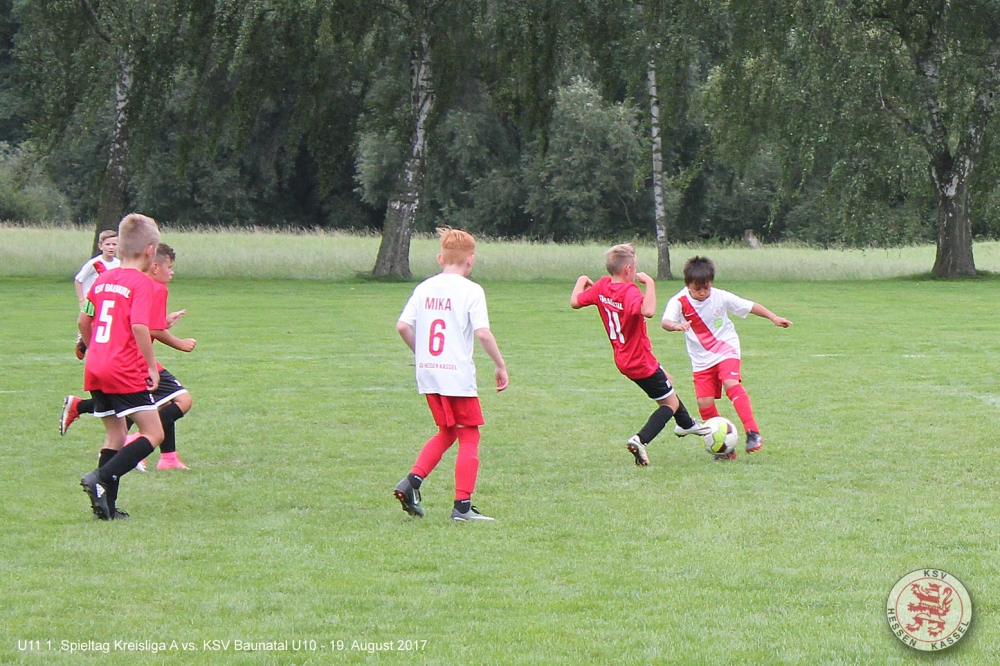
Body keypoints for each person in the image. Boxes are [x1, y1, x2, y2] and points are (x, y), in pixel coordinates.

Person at [393, 227, 509, 522]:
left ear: (440, 258)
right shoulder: (471, 290)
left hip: (429, 373)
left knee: (448, 431)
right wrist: (500, 365)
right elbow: (483, 333)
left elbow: (403, 326)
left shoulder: (424, 288)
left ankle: (411, 483)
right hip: (455, 374)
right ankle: (462, 506)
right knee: (469, 435)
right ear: (471, 260)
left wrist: (422, 354)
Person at [570, 243, 709, 467]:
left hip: (624, 359)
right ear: (628, 269)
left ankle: (686, 424)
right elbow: (649, 310)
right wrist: (650, 284)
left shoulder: (602, 286)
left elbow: (575, 301)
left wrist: (582, 280)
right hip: (640, 361)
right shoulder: (630, 291)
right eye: (635, 268)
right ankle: (640, 440)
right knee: (669, 404)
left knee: (667, 381)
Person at [61, 244, 196, 471]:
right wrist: (180, 343)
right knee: (180, 402)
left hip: (110, 359)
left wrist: (164, 321)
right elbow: (145, 328)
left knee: (149, 408)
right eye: (169, 267)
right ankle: (136, 442)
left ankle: (168, 458)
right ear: (154, 265)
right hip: (133, 361)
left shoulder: (115, 282)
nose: (172, 272)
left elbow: (91, 319)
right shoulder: (152, 287)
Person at [78, 213, 164, 520]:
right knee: (153, 433)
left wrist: (94, 348)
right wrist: (151, 366)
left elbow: (83, 320)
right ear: (150, 251)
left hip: (96, 365)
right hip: (123, 368)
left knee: (115, 435)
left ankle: (106, 509)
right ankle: (100, 478)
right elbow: (140, 326)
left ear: (122, 247)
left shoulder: (102, 279)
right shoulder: (141, 283)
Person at [661, 255, 792, 459]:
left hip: (725, 347)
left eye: (706, 288)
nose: (702, 292)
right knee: (704, 402)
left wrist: (773, 317)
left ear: (711, 283)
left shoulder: (720, 296)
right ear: (687, 285)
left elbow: (750, 306)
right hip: (700, 359)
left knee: (730, 383)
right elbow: (665, 321)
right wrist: (675, 325)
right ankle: (725, 449)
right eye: (697, 289)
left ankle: (753, 432)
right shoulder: (679, 301)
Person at [73, 230, 120, 359]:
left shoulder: (118, 264)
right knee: (92, 322)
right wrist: (81, 299)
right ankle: (84, 339)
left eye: (114, 244)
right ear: (100, 246)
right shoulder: (94, 263)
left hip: (109, 300)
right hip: (93, 300)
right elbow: (78, 280)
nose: (111, 247)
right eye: (108, 244)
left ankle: (95, 344)